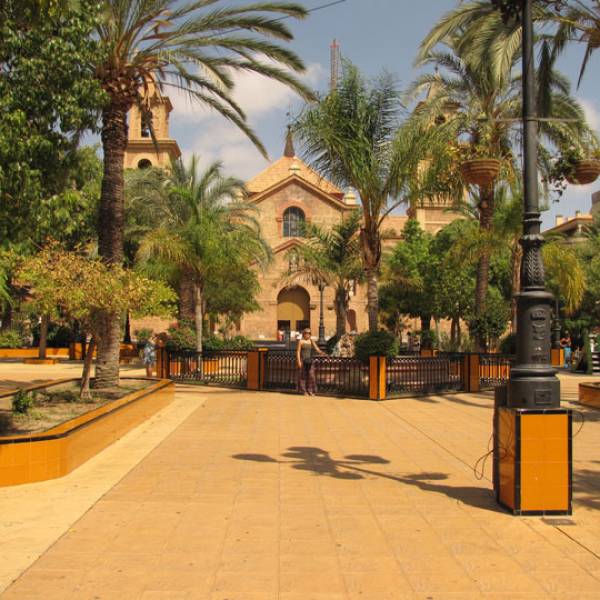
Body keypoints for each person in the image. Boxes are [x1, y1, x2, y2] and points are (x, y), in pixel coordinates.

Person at [296, 328, 326, 396]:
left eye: (309, 333)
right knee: (303, 376)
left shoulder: (311, 341)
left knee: (311, 376)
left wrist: (322, 353)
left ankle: (311, 390)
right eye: (306, 333)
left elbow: (317, 349)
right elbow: (298, 352)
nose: (308, 334)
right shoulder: (301, 341)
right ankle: (304, 391)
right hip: (303, 360)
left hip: (310, 361)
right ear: (303, 334)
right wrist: (299, 361)